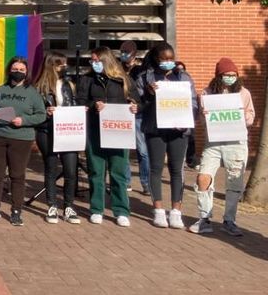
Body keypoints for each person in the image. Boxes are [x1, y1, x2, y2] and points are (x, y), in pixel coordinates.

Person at [189, 58, 255, 236]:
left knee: (234, 182)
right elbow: (202, 121)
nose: (231, 78)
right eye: (227, 75)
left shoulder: (243, 93)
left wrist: (242, 117)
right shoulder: (207, 93)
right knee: (203, 177)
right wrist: (205, 115)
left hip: (237, 143)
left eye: (234, 75)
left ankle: (230, 220)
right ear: (219, 76)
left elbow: (250, 115)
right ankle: (204, 218)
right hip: (214, 143)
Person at [137, 42, 197, 229]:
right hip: (155, 128)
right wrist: (148, 94)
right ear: (156, 59)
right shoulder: (145, 77)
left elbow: (193, 102)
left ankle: (176, 212)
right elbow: (138, 105)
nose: (168, 62)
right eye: (164, 59)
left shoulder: (183, 76)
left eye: (171, 59)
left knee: (176, 169)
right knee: (155, 168)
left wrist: (188, 116)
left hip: (178, 129)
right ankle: (159, 210)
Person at [0, 56, 46, 226]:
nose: (18, 72)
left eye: (21, 70)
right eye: (15, 69)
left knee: (17, 176)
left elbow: (41, 115)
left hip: (21, 139)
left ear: (26, 72)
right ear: (9, 70)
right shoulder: (0, 90)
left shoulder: (32, 93)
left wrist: (23, 120)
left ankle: (16, 211)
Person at [77, 46, 139, 227]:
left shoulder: (123, 79)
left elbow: (137, 101)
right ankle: (97, 209)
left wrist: (136, 107)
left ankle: (121, 210)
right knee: (96, 172)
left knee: (118, 173)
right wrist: (93, 104)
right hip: (95, 131)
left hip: (118, 131)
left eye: (97, 61)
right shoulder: (87, 80)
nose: (94, 64)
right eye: (92, 61)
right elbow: (80, 101)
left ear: (107, 61)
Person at [32, 51, 81, 224]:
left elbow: (75, 104)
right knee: (51, 168)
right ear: (52, 66)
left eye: (65, 64)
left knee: (70, 170)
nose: (64, 68)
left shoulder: (69, 85)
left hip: (68, 131)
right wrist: (45, 112)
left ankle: (69, 206)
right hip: (47, 131)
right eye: (61, 65)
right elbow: (33, 111)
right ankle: (51, 205)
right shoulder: (39, 87)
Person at [120, 40, 150, 196]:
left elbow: (146, 93)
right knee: (124, 149)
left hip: (138, 113)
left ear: (134, 54)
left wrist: (140, 104)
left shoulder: (141, 71)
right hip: (123, 113)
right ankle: (126, 181)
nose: (124, 55)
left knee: (143, 150)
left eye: (127, 53)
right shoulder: (118, 69)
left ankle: (146, 182)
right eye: (122, 52)